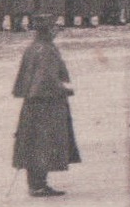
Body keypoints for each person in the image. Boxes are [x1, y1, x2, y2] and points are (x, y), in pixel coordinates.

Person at [12, 14, 80, 197]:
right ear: (49, 30)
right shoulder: (47, 50)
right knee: (44, 144)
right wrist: (64, 87)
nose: (57, 32)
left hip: (32, 103)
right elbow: (46, 78)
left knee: (32, 142)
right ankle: (38, 185)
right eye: (55, 28)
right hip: (47, 103)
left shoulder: (33, 48)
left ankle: (35, 183)